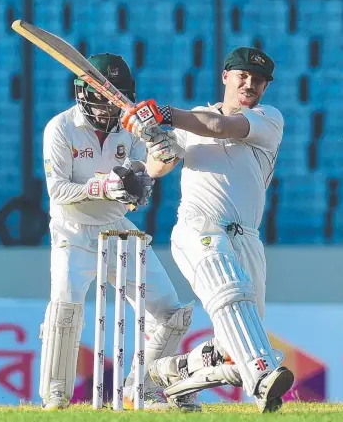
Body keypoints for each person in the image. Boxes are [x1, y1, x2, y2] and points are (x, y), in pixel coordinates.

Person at [121, 47, 294, 413]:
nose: (250, 84)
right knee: (231, 294)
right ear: (226, 76)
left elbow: (221, 126)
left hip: (247, 237)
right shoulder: (193, 122)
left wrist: (166, 115)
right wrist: (158, 142)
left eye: (258, 80)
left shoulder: (268, 119)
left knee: (235, 348)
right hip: (200, 227)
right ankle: (263, 378)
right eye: (243, 75)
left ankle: (171, 374)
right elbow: (155, 168)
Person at [40, 53, 196, 410]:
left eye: (117, 98)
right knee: (66, 308)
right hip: (72, 230)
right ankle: (55, 393)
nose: (111, 107)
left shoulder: (130, 128)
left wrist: (163, 155)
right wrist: (103, 187)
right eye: (104, 98)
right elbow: (58, 192)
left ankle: (142, 387)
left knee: (172, 312)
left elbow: (147, 172)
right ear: (84, 94)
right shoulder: (60, 128)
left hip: (118, 229)